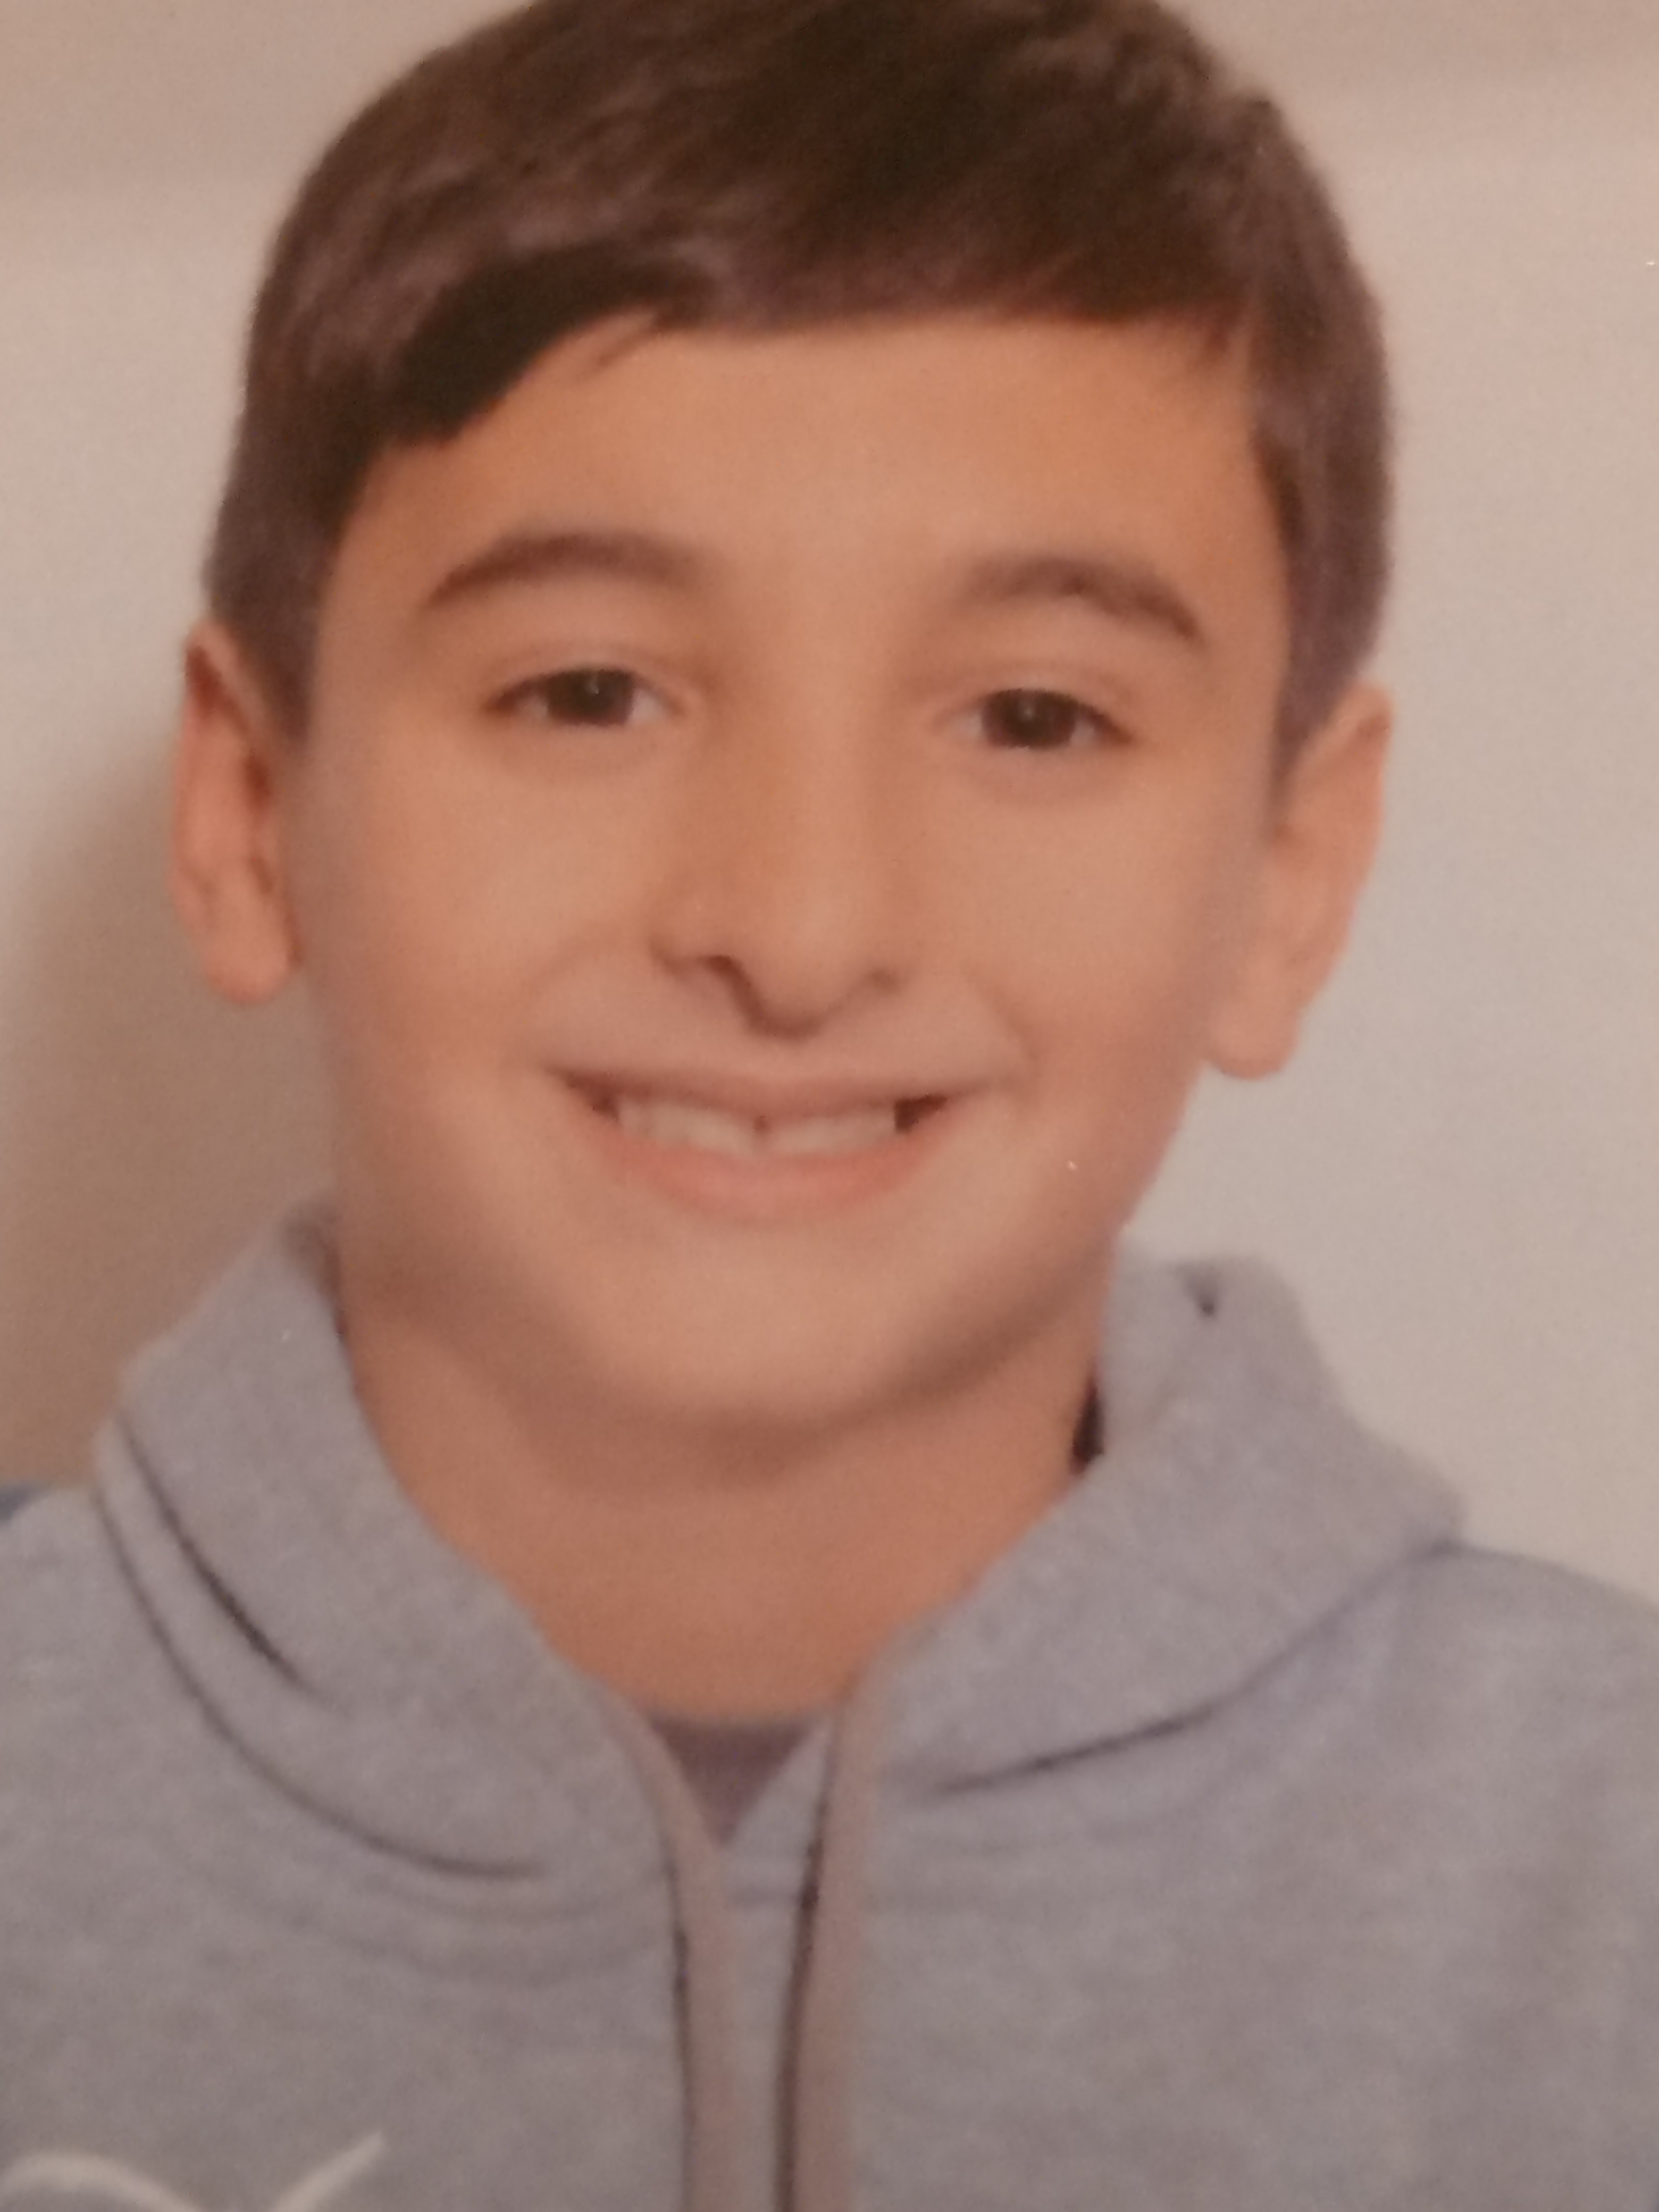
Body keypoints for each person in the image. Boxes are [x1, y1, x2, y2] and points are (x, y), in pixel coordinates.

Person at [1, 1, 1656, 2205]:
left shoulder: (1606, 1871)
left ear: (1288, 873)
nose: (797, 928)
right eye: (588, 690)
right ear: (248, 808)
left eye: (1036, 718)